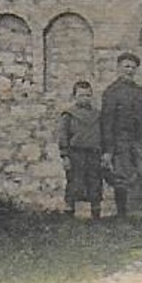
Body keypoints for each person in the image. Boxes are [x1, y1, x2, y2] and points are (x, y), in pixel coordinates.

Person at [100, 51, 142, 219]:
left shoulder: (140, 92)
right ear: (119, 68)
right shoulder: (111, 92)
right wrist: (108, 150)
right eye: (126, 66)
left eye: (133, 67)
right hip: (120, 142)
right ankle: (122, 215)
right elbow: (107, 123)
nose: (129, 70)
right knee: (121, 178)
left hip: (140, 141)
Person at [57, 80, 103, 218]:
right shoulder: (69, 114)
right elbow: (63, 135)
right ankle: (69, 211)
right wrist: (65, 155)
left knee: (95, 182)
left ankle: (96, 212)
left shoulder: (97, 114)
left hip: (94, 153)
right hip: (76, 153)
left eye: (88, 95)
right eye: (81, 95)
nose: (85, 99)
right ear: (74, 96)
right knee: (74, 182)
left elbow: (102, 134)